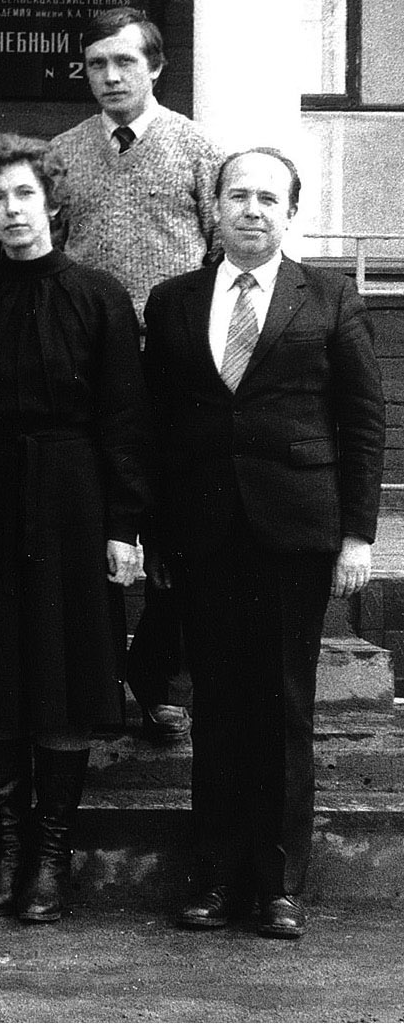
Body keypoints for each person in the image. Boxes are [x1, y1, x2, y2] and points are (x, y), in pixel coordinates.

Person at [145, 148, 382, 940]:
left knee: (281, 705)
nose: (251, 209)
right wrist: (157, 533)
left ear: (290, 213)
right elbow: (157, 424)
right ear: (214, 207)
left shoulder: (330, 296)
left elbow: (362, 421)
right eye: (237, 195)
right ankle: (214, 878)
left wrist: (356, 535)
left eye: (267, 198)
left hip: (294, 531)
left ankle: (279, 885)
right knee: (215, 704)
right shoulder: (172, 301)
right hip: (204, 532)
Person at [0, 135, 148, 924]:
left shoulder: (99, 297)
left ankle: (50, 861)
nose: (11, 211)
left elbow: (123, 418)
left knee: (64, 674)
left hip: (73, 500)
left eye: (23, 194)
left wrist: (122, 524)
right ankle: (6, 855)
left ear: (53, 203)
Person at [50, 6, 221, 744]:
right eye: (97, 64)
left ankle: (161, 681)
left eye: (125, 61)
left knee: (173, 523)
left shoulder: (197, 149)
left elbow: (219, 254)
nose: (111, 76)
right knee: (97, 518)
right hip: (88, 364)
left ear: (155, 67)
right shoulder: (61, 153)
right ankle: (91, 677)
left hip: (175, 365)